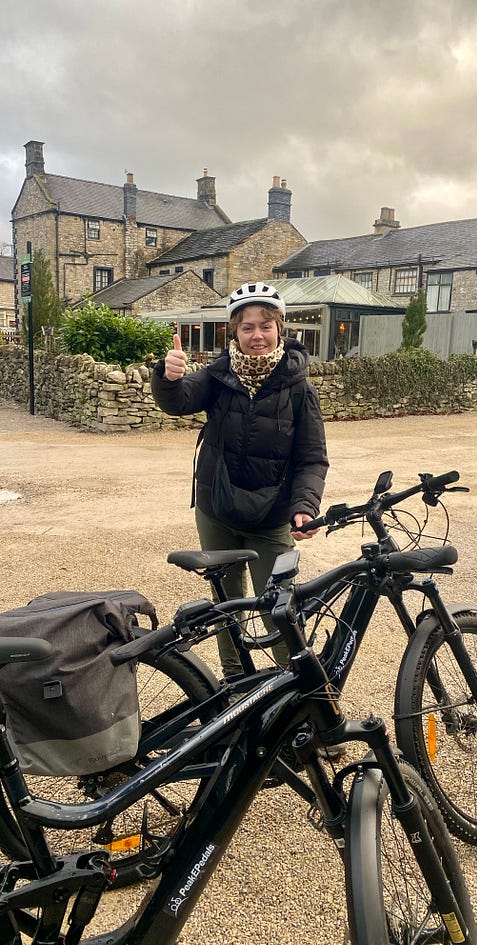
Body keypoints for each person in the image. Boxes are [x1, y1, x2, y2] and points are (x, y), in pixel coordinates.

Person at [152, 281, 329, 679]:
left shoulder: (299, 388)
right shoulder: (217, 377)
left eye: (265, 326)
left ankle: (295, 698)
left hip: (271, 519)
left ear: (281, 329)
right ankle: (234, 687)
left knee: (280, 611)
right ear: (234, 331)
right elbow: (177, 401)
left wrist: (304, 507)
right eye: (247, 327)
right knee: (227, 609)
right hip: (218, 511)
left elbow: (312, 458)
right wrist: (167, 376)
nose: (257, 336)